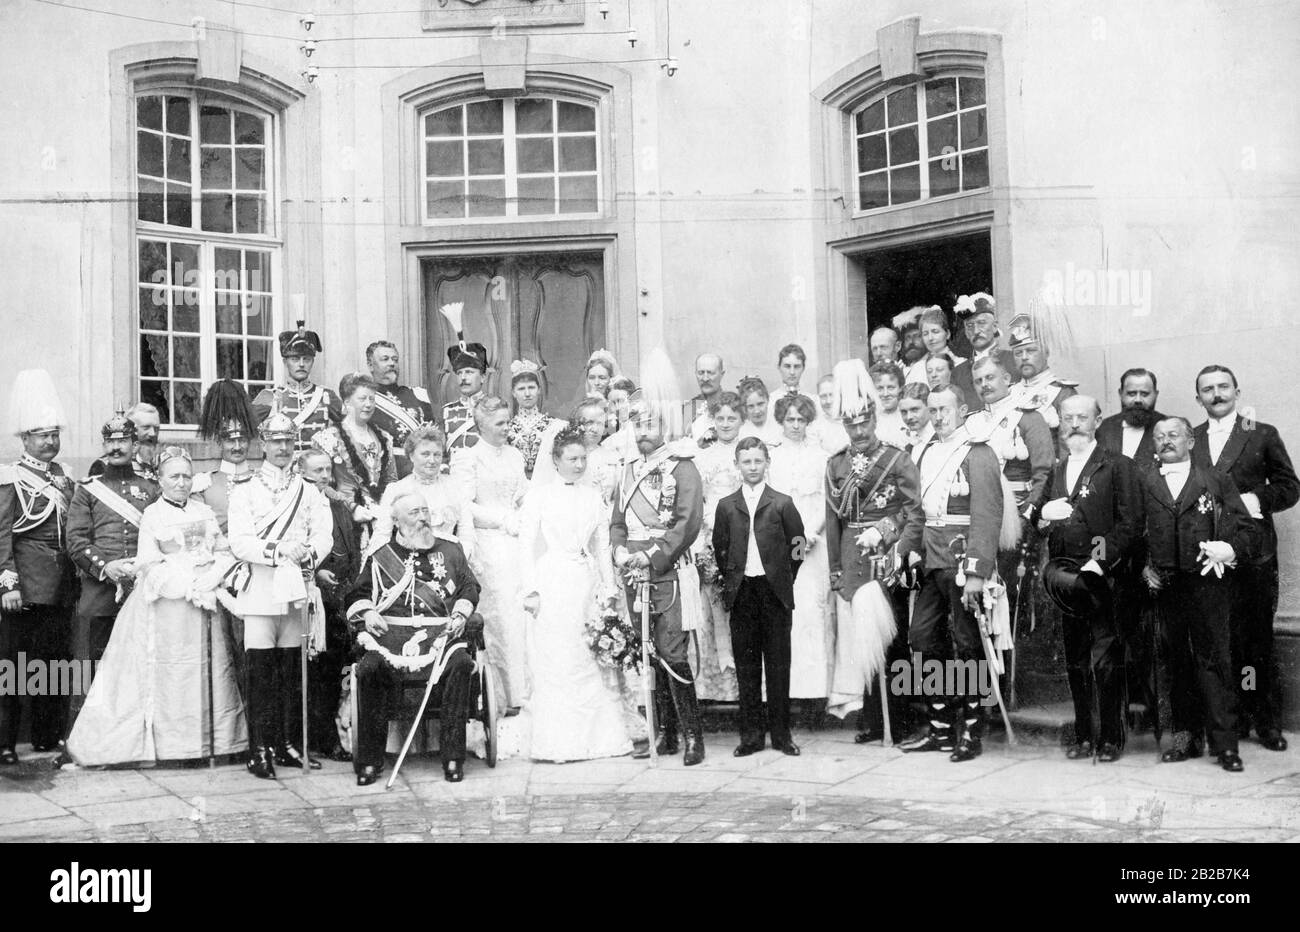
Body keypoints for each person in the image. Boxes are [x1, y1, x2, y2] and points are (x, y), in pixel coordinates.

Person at [65, 449, 247, 766]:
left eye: (186, 476)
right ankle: (172, 746)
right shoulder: (153, 514)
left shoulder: (203, 511)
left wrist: (214, 575)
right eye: (174, 476)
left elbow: (224, 550)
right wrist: (186, 585)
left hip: (205, 602)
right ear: (161, 480)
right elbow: (150, 563)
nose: (180, 483)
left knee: (205, 670)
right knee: (172, 673)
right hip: (170, 605)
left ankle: (207, 744)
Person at [1139, 416, 1255, 772]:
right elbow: (1130, 528)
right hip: (1166, 585)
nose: (1166, 441)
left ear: (1191, 441)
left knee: (1214, 661)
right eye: (1160, 437)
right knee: (1174, 663)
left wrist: (1229, 549)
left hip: (1207, 584)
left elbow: (1247, 529)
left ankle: (1225, 745)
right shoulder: (1144, 481)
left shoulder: (1215, 479)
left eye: (1174, 435)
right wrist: (1144, 566)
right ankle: (1184, 739)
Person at [1191, 365, 1297, 752]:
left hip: (1253, 555)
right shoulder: (1191, 438)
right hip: (1207, 556)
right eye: (1208, 389)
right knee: (1219, 642)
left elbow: (1290, 487)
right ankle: (1228, 721)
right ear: (1197, 396)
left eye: (1223, 387)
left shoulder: (1261, 433)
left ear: (1237, 391)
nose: (1216, 394)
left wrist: (1257, 499)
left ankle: (1264, 721)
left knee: (1255, 642)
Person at [225, 409, 334, 779]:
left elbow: (324, 534)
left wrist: (309, 554)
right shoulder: (245, 491)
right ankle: (259, 748)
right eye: (275, 441)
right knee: (261, 672)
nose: (283, 447)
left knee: (292, 670)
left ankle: (288, 744)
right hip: (260, 587)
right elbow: (239, 541)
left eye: (288, 440)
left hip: (296, 588)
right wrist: (277, 552)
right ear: (263, 443)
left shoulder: (308, 490)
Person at [345, 493, 482, 785]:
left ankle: (454, 757)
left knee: (461, 664)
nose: (422, 518)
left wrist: (459, 615)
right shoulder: (381, 554)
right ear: (396, 521)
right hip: (391, 638)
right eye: (414, 513)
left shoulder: (451, 550)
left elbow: (469, 587)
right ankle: (370, 760)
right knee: (368, 669)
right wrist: (368, 613)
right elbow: (357, 594)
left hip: (442, 635)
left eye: (424, 511)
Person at [516, 427, 633, 762]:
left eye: (583, 458)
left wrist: (608, 587)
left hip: (586, 581)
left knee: (588, 655)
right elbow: (526, 545)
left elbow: (601, 545)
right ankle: (558, 742)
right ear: (556, 461)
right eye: (572, 459)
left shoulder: (592, 496)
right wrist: (531, 590)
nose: (579, 465)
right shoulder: (540, 497)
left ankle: (599, 740)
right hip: (553, 580)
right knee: (558, 658)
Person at [903, 385, 1004, 761]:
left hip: (963, 561)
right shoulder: (926, 451)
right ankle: (941, 727)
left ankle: (973, 732)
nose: (939, 415)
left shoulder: (978, 453)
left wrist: (978, 572)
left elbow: (988, 515)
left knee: (968, 644)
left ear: (963, 409)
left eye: (945, 408)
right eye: (933, 409)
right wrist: (907, 550)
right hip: (932, 559)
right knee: (922, 637)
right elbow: (917, 509)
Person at [1037, 395, 1140, 762]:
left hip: (1102, 578)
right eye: (1068, 417)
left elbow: (1130, 524)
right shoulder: (1058, 466)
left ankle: (1111, 737)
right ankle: (1084, 734)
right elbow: (1038, 518)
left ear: (1097, 422)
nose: (1075, 423)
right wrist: (1043, 516)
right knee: (1076, 659)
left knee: (1106, 660)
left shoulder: (1117, 465)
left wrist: (1100, 561)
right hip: (1066, 580)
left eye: (1083, 417)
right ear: (1060, 423)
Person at [823, 360, 923, 738]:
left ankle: (897, 720)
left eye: (865, 421)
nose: (860, 430)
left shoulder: (897, 459)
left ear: (875, 420)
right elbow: (833, 520)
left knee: (892, 638)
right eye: (852, 424)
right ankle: (872, 719)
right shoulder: (836, 464)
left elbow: (912, 510)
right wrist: (835, 569)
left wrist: (884, 530)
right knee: (861, 639)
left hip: (889, 555)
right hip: (852, 557)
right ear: (844, 425)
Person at [610, 396, 706, 765]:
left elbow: (688, 523)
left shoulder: (683, 468)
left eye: (651, 425)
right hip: (633, 572)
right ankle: (665, 732)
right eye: (638, 425)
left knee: (672, 651)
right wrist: (620, 552)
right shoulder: (627, 469)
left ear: (665, 427)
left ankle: (693, 736)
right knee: (648, 651)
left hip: (668, 571)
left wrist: (650, 556)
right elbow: (617, 522)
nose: (644, 433)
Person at [64, 412, 159, 726]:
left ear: (134, 444)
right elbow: (76, 541)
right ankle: (87, 737)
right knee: (94, 669)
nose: (117, 447)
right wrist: (108, 567)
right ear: (104, 444)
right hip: (101, 595)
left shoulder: (151, 488)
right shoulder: (88, 490)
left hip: (141, 594)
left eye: (123, 440)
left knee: (141, 667)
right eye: (111, 441)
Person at [0, 370, 76, 763]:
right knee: (15, 667)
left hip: (61, 586)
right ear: (25, 438)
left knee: (57, 664)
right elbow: (2, 537)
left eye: (54, 434)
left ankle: (49, 736)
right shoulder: (11, 478)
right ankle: (6, 742)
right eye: (42, 435)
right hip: (25, 587)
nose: (50, 441)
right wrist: (7, 585)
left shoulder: (64, 477)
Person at [713, 437, 805, 757]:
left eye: (757, 461)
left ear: (767, 463)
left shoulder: (782, 502)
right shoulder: (727, 505)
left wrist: (783, 576)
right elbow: (720, 547)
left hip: (774, 593)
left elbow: (798, 544)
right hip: (743, 593)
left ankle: (781, 735)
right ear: (736, 465)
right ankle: (751, 736)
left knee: (778, 666)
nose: (752, 467)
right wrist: (733, 577)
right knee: (746, 666)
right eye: (746, 462)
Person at [451, 396, 528, 711]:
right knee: (499, 619)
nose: (506, 428)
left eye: (508, 422)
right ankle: (499, 697)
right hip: (489, 543)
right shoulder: (467, 458)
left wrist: (525, 513)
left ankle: (522, 693)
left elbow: (523, 491)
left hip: (517, 542)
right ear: (480, 425)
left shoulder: (514, 455)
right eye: (499, 424)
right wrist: (502, 519)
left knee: (521, 616)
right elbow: (464, 505)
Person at [970, 355, 1053, 639]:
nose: (984, 385)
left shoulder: (1028, 417)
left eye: (990, 378)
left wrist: (1029, 514)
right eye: (978, 381)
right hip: (978, 519)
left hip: (1015, 517)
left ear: (1007, 379)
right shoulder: (972, 422)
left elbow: (1044, 471)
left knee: (1011, 595)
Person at [767, 394, 832, 728]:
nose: (795, 425)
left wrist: (808, 533)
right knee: (786, 616)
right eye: (789, 419)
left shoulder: (821, 458)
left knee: (812, 615)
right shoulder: (773, 458)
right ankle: (788, 695)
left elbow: (825, 501)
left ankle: (815, 698)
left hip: (812, 544)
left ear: (809, 422)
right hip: (784, 545)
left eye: (800, 420)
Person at [192, 379, 258, 693]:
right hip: (218, 582)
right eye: (228, 440)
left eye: (241, 439)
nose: (235, 446)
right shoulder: (204, 484)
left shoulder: (261, 483)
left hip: (255, 577)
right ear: (219, 441)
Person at [297, 449, 362, 762]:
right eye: (316, 470)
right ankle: (316, 738)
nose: (324, 476)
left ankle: (333, 735)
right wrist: (315, 571)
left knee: (335, 670)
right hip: (310, 595)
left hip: (338, 597)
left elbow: (350, 547)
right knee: (315, 673)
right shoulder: (300, 502)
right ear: (302, 472)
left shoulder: (337, 504)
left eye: (327, 470)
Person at [691, 392, 745, 702]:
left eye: (732, 418)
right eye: (721, 418)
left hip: (741, 538)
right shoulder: (704, 457)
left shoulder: (748, 452)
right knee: (711, 611)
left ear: (741, 420)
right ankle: (717, 690)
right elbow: (699, 503)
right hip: (711, 539)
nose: (726, 424)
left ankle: (747, 692)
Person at [310, 373, 398, 550]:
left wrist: (387, 509)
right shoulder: (328, 438)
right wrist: (352, 507)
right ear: (347, 402)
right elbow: (318, 485)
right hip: (342, 518)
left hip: (381, 520)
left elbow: (392, 481)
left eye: (372, 399)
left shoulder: (385, 438)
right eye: (362, 399)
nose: (368, 404)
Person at [369, 425, 475, 560]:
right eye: (425, 454)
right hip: (410, 566)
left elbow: (467, 533)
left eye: (437, 454)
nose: (432, 460)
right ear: (411, 455)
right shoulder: (396, 489)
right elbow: (382, 536)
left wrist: (458, 561)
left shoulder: (455, 488)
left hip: (450, 562)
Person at [253, 321, 343, 456]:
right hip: (284, 469)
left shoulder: (326, 396)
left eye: (306, 359)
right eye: (295, 359)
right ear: (285, 362)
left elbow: (350, 429)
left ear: (312, 362)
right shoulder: (270, 396)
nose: (301, 364)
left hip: (317, 471)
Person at [366, 340, 435, 479]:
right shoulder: (364, 399)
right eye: (385, 359)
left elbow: (435, 435)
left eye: (395, 359)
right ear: (370, 365)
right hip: (386, 474)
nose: (392, 363)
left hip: (423, 471)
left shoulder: (419, 395)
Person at [1006, 311, 1078, 442]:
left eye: (1031, 350)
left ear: (1046, 352)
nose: (1024, 357)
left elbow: (1069, 446)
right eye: (1018, 353)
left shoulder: (1063, 393)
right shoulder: (1009, 393)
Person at [1097, 368, 1165, 472]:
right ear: (1120, 394)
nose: (1138, 400)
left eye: (1145, 394)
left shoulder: (1168, 428)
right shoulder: (1103, 429)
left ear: (1156, 395)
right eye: (1131, 394)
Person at [506, 359, 559, 479]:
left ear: (539, 390)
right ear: (513, 393)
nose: (527, 393)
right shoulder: (507, 427)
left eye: (531, 387)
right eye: (521, 389)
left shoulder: (553, 425)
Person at [441, 339, 490, 459]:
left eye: (469, 372)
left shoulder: (494, 408)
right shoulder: (446, 411)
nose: (463, 378)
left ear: (483, 377)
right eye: (459, 373)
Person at [88, 402, 162, 482]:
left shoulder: (161, 464)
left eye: (156, 428)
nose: (153, 434)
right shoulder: (104, 465)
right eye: (146, 428)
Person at [955, 292, 1018, 382]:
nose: (976, 331)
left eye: (981, 323)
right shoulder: (958, 373)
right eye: (970, 325)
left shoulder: (1014, 361)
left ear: (995, 326)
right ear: (966, 332)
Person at [685, 352, 726, 444]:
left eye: (710, 373)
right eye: (701, 373)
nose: (705, 378)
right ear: (695, 374)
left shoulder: (733, 406)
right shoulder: (688, 408)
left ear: (722, 374)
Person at [869, 361, 908, 447]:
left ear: (900, 388)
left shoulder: (908, 416)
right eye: (880, 388)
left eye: (891, 387)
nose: (885, 394)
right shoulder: (870, 420)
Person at [766, 344, 809, 422]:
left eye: (796, 367)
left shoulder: (812, 400)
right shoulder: (770, 402)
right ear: (779, 367)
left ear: (803, 368)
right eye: (787, 366)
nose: (792, 372)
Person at [810, 374, 850, 455]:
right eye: (823, 396)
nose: (828, 401)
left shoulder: (855, 421)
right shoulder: (814, 428)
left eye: (832, 395)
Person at [737, 377, 783, 447]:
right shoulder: (742, 430)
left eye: (760, 404)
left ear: (767, 400)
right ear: (744, 407)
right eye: (751, 406)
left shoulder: (779, 424)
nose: (757, 411)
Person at [899, 382, 934, 457]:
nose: (909, 417)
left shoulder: (941, 440)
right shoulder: (910, 445)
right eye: (904, 412)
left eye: (914, 410)